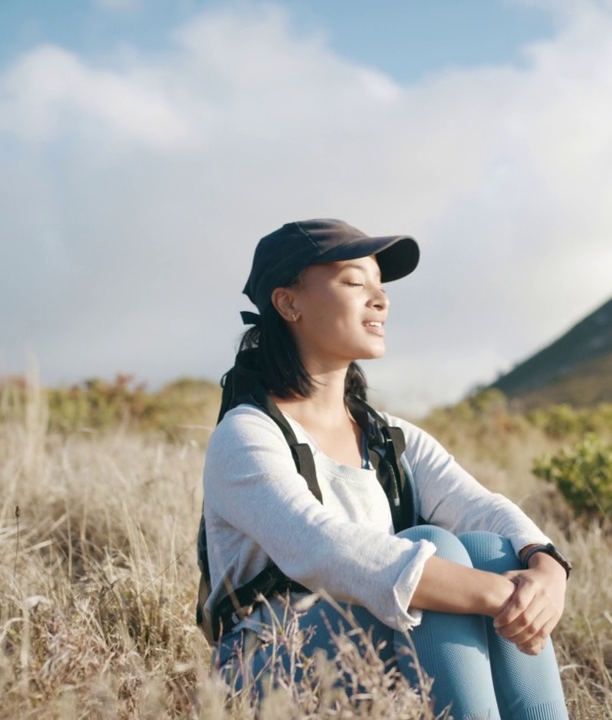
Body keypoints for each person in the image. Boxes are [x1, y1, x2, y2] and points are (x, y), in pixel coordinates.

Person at [202, 219, 572, 719]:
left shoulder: (389, 436)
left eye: (381, 287)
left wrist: (546, 568)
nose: (381, 300)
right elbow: (319, 546)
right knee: (436, 551)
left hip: (370, 642)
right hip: (266, 665)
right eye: (356, 283)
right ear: (289, 303)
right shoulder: (247, 435)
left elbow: (480, 507)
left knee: (493, 549)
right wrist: (497, 595)